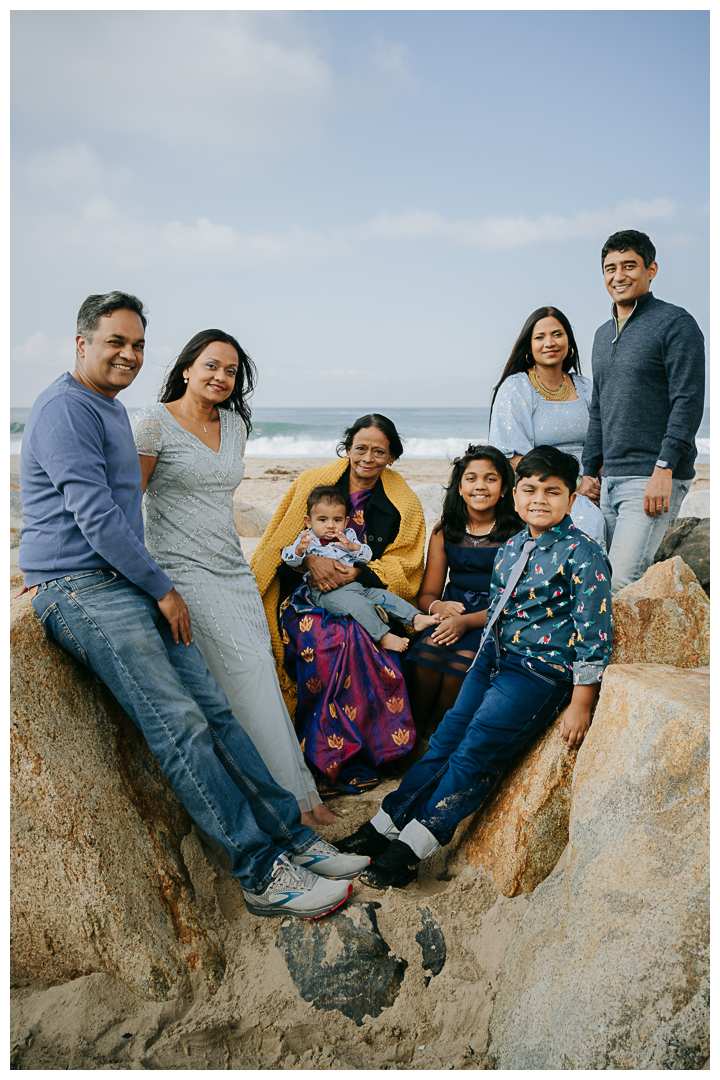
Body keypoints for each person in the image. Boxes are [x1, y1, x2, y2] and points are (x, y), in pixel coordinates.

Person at [18, 292, 369, 920]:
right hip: (83, 587)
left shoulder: (105, 407)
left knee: (218, 714)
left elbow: (121, 508)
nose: (127, 354)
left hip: (121, 580)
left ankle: (294, 840)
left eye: (136, 344)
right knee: (182, 725)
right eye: (114, 342)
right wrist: (163, 587)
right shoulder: (64, 410)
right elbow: (95, 515)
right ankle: (262, 874)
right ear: (81, 344)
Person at [337, 445, 613, 890]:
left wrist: (582, 699)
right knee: (446, 739)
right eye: (530, 489)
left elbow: (595, 633)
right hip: (493, 659)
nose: (539, 499)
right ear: (516, 495)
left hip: (537, 673)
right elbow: (499, 609)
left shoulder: (584, 554)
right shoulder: (513, 546)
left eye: (552, 491)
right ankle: (385, 825)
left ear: (571, 499)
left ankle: (411, 849)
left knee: (475, 751)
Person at [132, 329, 335, 829]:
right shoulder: (152, 424)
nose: (221, 377)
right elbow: (126, 502)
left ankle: (302, 797)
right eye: (211, 366)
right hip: (183, 571)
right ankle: (290, 808)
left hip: (232, 568)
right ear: (186, 368)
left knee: (260, 676)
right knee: (245, 681)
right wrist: (151, 582)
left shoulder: (236, 425)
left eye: (231, 371)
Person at [252, 414, 426, 795]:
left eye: (379, 451)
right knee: (327, 642)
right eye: (360, 447)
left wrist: (358, 575)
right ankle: (324, 757)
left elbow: (406, 563)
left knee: (357, 639)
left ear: (391, 457)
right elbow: (278, 544)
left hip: (359, 595)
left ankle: (367, 756)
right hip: (304, 599)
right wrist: (310, 561)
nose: (368, 457)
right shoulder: (313, 485)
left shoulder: (405, 504)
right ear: (348, 449)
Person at [579, 230, 705, 592]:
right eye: (610, 268)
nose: (618, 275)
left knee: (622, 581)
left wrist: (664, 468)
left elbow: (688, 400)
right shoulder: (603, 335)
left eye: (629, 265)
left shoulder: (675, 323)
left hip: (652, 478)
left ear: (651, 270)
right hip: (609, 480)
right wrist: (589, 471)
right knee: (599, 578)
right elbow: (599, 408)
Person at [406, 445, 522, 748]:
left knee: (460, 668)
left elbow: (515, 601)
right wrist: (438, 606)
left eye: (490, 479)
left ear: (506, 488)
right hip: (450, 612)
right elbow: (427, 593)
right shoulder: (445, 531)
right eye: (471, 478)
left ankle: (436, 737)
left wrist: (466, 622)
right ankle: (411, 737)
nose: (480, 486)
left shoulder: (517, 535)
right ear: (460, 487)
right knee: (426, 657)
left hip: (493, 617)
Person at [489, 306, 606, 547]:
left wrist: (601, 482)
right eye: (539, 337)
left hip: (593, 482)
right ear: (529, 347)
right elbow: (512, 457)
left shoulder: (585, 386)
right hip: (544, 482)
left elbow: (603, 441)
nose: (549, 343)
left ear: (569, 342)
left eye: (557, 334)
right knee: (586, 521)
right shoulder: (516, 388)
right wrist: (575, 483)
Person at [281, 485, 439, 652]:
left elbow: (367, 556)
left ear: (346, 521)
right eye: (322, 520)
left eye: (337, 520)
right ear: (308, 521)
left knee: (385, 596)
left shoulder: (348, 536)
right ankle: (382, 636)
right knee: (360, 605)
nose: (330, 525)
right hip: (328, 593)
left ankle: (415, 618)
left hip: (358, 587)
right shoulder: (307, 539)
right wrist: (299, 551)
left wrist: (352, 547)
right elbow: (288, 557)